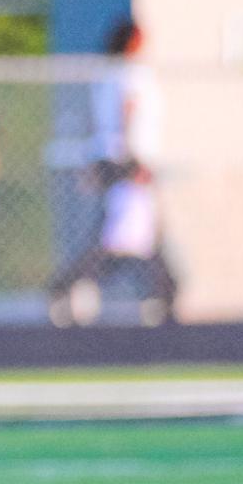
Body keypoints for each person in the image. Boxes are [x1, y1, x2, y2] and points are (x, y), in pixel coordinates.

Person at [48, 16, 178, 325]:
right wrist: (134, 160)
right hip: (128, 162)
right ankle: (70, 288)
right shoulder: (132, 74)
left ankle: (161, 292)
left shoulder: (106, 75)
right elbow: (127, 112)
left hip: (113, 159)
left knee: (132, 233)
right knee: (124, 236)